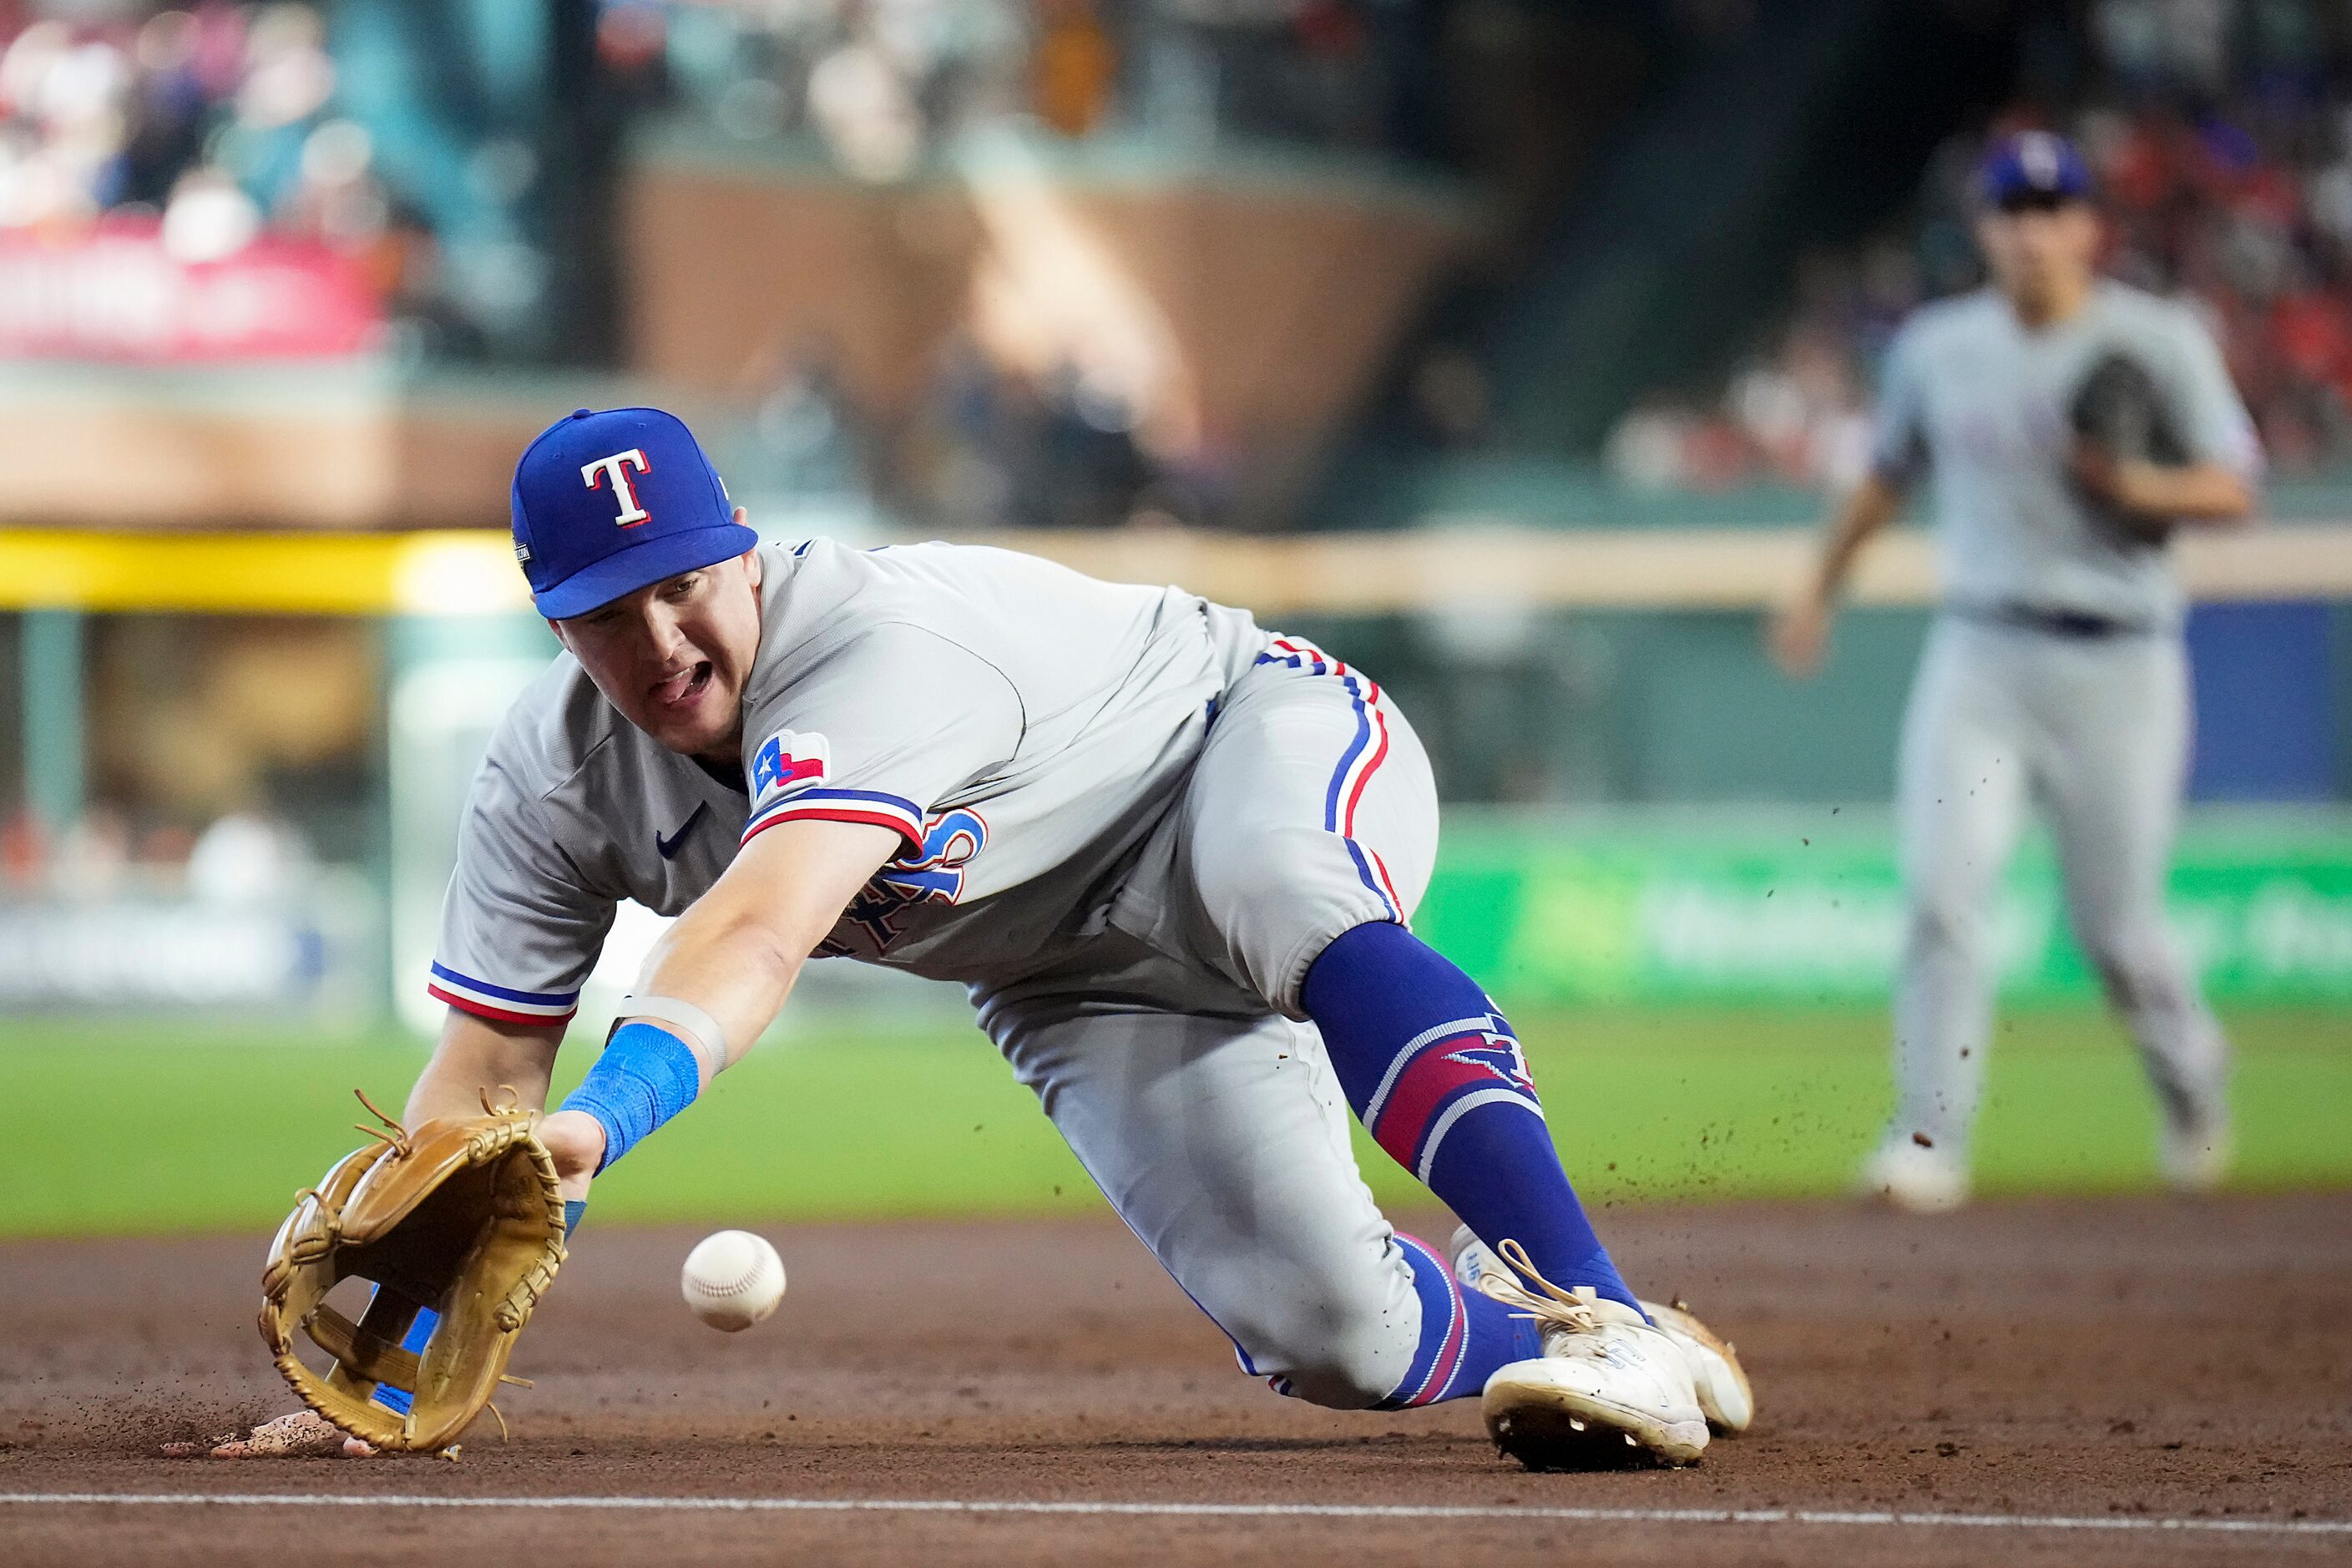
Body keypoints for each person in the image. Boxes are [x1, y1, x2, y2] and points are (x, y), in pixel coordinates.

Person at [207, 405, 1753, 1468]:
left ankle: (1593, 1299)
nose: (665, 639)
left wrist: (604, 1120)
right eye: (613, 612)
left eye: (684, 585)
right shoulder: (545, 777)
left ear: (742, 551)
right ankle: (1581, 1344)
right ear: (555, 623)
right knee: (1332, 1332)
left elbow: (756, 929)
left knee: (1286, 884)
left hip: (1231, 744)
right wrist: (389, 1370)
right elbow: (482, 1069)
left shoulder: (874, 644)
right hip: (1066, 968)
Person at [1769, 131, 2259, 1212]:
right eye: (2009, 208)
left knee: (2117, 932)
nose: (2031, 228)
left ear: (2088, 225)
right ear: (1984, 228)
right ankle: (1925, 1139)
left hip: (2118, 658)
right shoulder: (1937, 347)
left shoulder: (2158, 337)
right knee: (1942, 897)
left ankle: (2192, 1086)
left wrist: (2136, 485)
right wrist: (1815, 587)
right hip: (1979, 652)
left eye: (2052, 207)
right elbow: (1881, 483)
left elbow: (2235, 486)